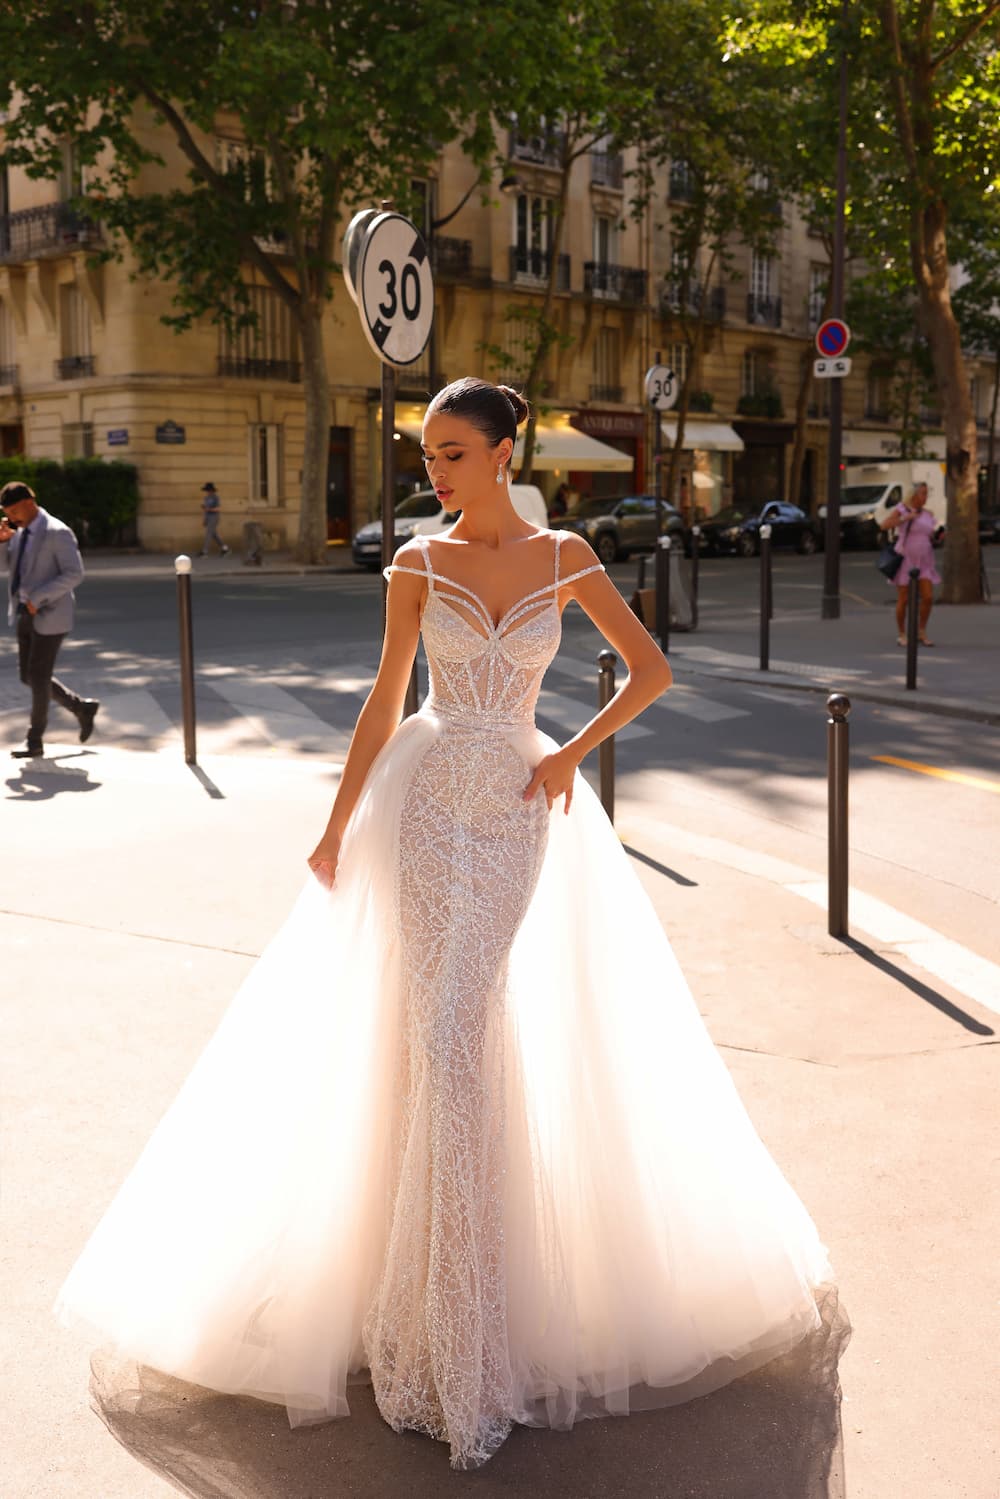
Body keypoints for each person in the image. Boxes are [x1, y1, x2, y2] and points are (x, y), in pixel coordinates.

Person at [54, 379, 837, 1471]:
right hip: (422, 811)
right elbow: (383, 698)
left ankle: (468, 1320)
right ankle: (430, 1322)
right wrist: (336, 826)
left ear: (507, 453)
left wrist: (568, 750)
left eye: (456, 452)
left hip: (516, 809)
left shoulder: (567, 554)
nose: (437, 470)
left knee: (461, 1028)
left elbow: (651, 670)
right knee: (440, 1035)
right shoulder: (417, 563)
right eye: (429, 454)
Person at [1, 480, 99, 758]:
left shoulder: (57, 532)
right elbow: (4, 567)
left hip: (51, 614)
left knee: (39, 676)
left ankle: (34, 740)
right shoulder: (20, 532)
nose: (11, 518)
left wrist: (38, 598)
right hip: (23, 611)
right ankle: (81, 708)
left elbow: (74, 573)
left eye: (14, 512)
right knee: (28, 676)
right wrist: (2, 542)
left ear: (29, 504)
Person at [879, 481, 940, 645]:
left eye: (927, 494)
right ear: (914, 495)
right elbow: (884, 525)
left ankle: (921, 631)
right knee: (904, 598)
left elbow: (929, 535)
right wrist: (905, 518)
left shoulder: (928, 514)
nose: (925, 497)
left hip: (925, 560)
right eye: (923, 493)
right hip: (906, 558)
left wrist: (938, 537)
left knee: (927, 597)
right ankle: (902, 633)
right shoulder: (902, 508)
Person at [199, 481, 230, 556]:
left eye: (209, 490)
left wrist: (209, 509)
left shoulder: (215, 497)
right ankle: (225, 548)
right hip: (208, 517)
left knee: (209, 534)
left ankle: (204, 551)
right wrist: (205, 519)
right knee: (214, 534)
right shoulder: (206, 498)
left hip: (214, 516)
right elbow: (206, 510)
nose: (208, 492)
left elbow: (218, 508)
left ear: (212, 490)